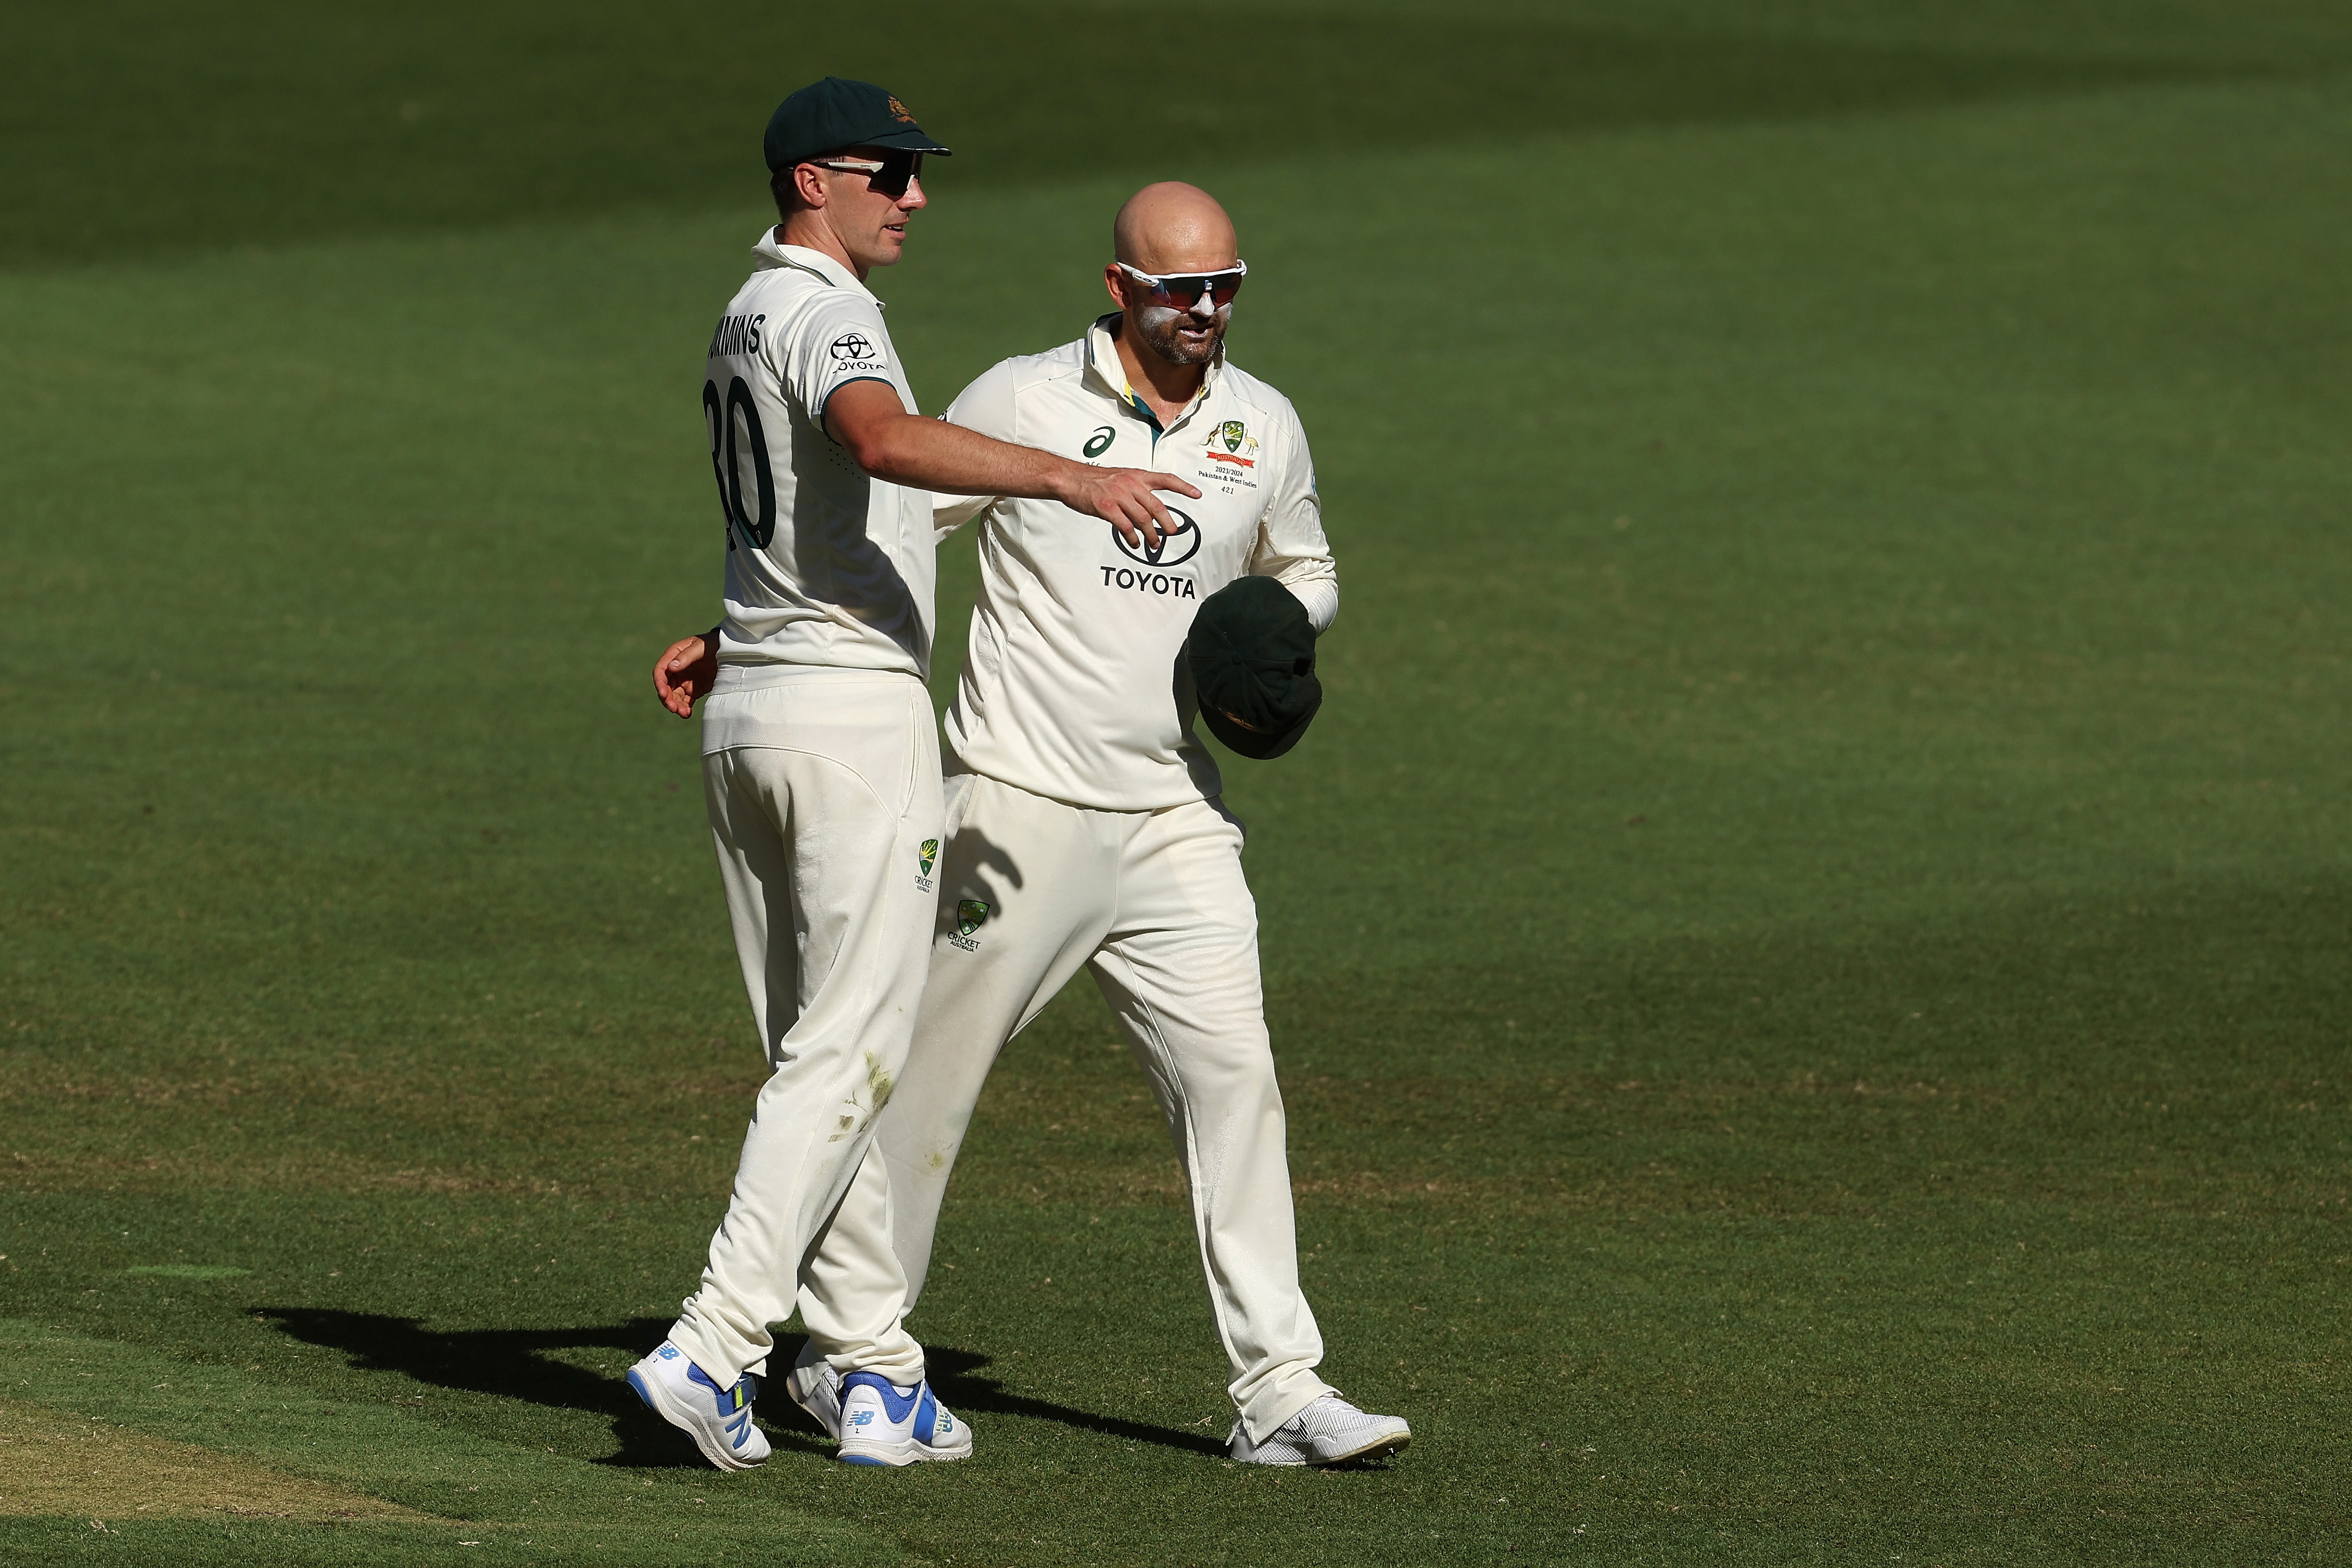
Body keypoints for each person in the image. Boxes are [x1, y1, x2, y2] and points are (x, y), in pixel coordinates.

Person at [657, 182, 1411, 1467]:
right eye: (1183, 290)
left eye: (1229, 286)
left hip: (1177, 816)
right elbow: (890, 525)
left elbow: (1309, 565)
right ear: (1121, 289)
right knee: (914, 1096)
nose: (1209, 312)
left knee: (1236, 1084)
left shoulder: (1261, 422)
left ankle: (1281, 1386)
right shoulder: (1021, 398)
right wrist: (749, 636)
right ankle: (848, 1360)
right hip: (1012, 808)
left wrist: (1282, 631)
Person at [626, 79, 1199, 1472]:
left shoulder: (746, 308)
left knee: (823, 1055)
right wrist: (1066, 477)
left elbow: (830, 502)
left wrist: (733, 631)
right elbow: (881, 441)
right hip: (846, 724)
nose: (916, 197)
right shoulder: (828, 311)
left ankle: (872, 1371)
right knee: (850, 1049)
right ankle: (715, 1342)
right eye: (891, 173)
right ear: (816, 179)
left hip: (755, 710)